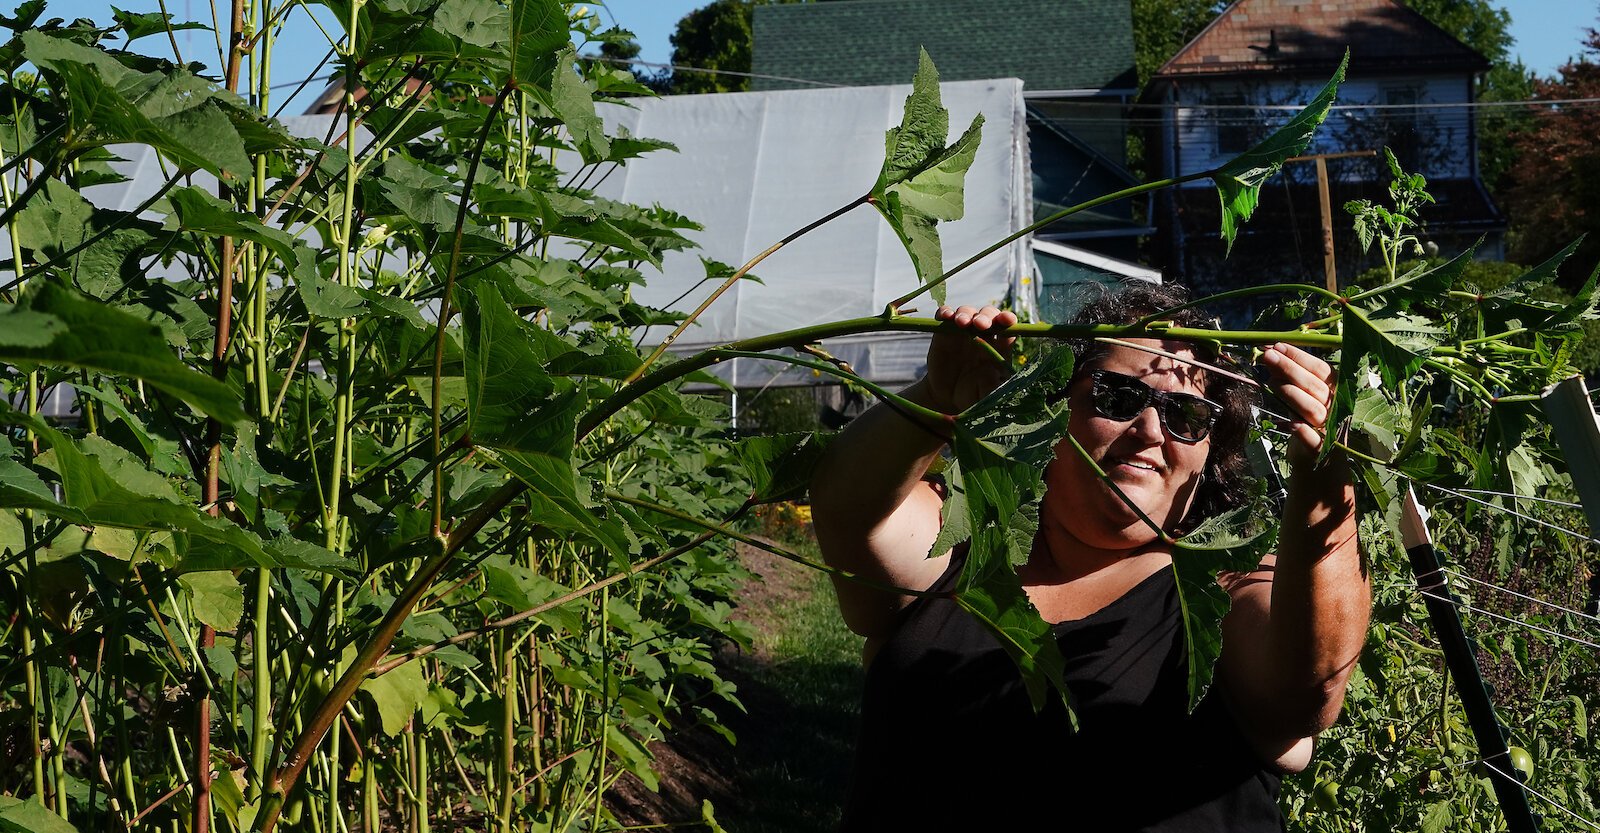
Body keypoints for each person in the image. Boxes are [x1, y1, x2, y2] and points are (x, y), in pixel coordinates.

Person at [810, 283, 1370, 831]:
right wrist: (936, 396)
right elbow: (849, 511)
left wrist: (1326, 484)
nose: (1150, 429)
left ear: (1210, 451)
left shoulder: (1227, 585)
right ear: (1057, 409)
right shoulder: (969, 538)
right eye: (1117, 397)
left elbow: (1308, 686)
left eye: (1187, 416)